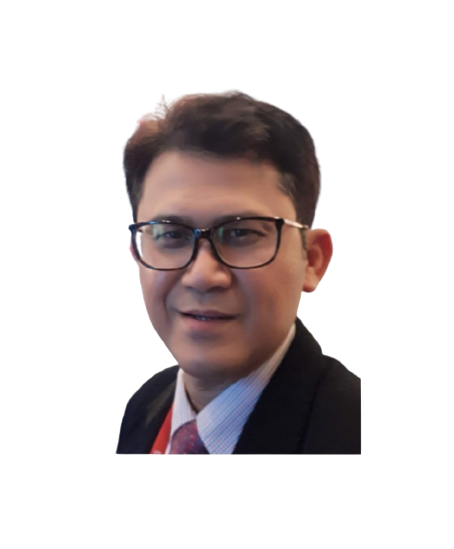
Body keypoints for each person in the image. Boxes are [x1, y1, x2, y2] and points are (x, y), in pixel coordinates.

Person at [116, 89, 361, 455]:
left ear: (311, 260)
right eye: (172, 234)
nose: (202, 276)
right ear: (138, 252)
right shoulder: (146, 404)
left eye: (242, 233)